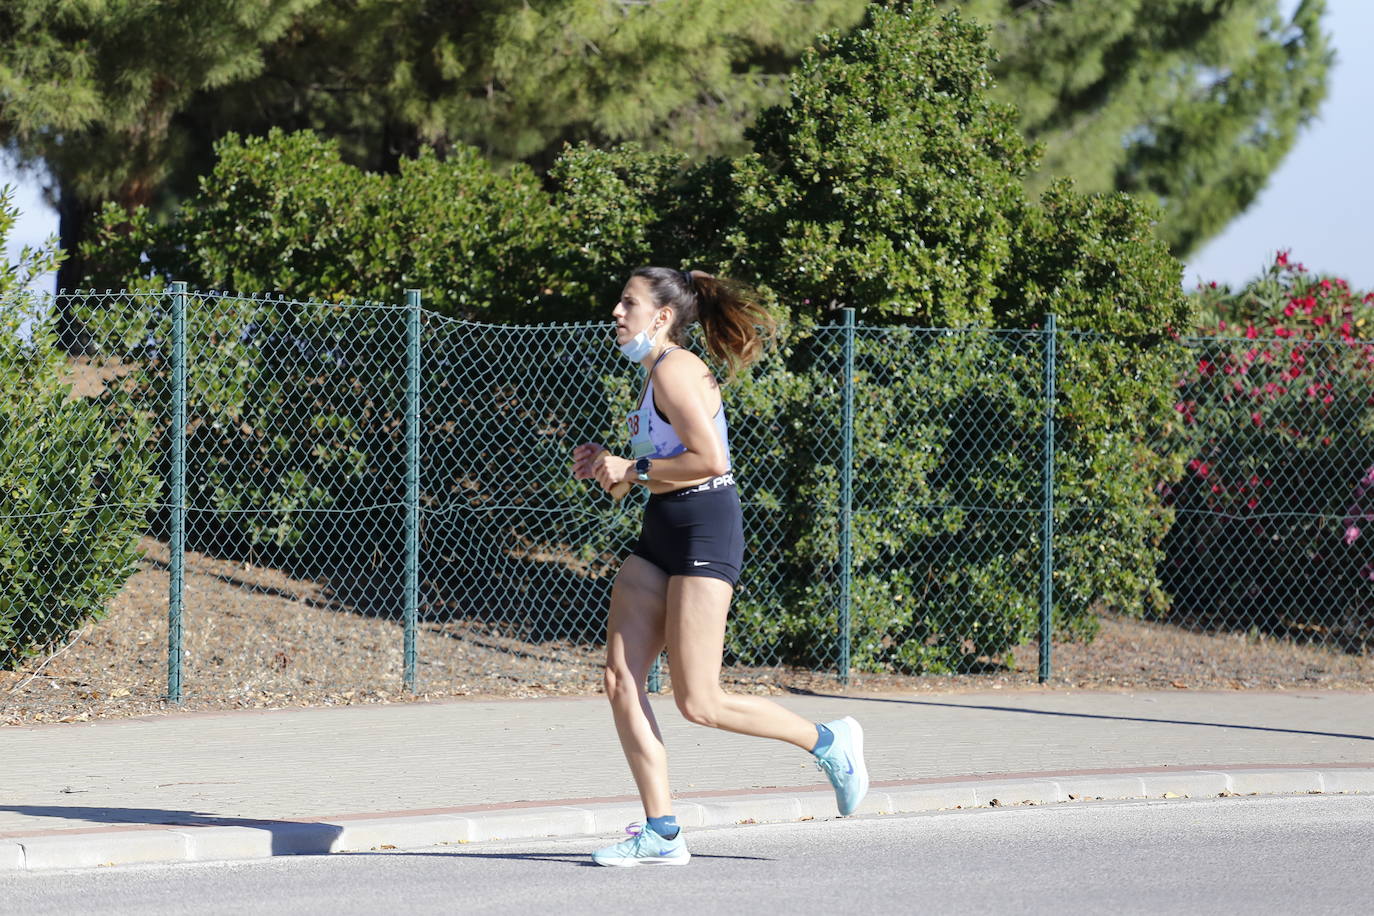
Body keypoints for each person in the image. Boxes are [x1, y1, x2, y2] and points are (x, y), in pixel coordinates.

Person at [571, 266, 869, 868]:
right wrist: (611, 466)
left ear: (661, 317)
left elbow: (708, 461)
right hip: (662, 530)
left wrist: (634, 471)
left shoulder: (677, 369)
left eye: (627, 303)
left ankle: (829, 742)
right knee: (620, 679)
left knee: (699, 701)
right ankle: (662, 833)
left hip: (706, 529)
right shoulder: (654, 372)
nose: (615, 312)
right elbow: (657, 465)